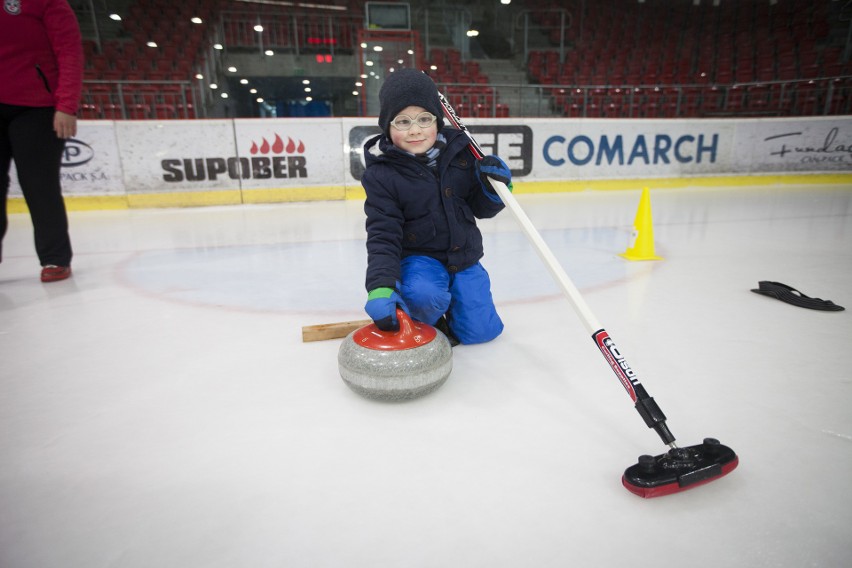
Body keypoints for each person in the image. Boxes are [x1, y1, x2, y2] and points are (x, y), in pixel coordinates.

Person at [361, 69, 513, 345]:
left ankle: (458, 313)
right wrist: (380, 286)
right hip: (419, 259)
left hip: (465, 256)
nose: (415, 129)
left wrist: (494, 191)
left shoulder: (461, 154)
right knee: (424, 295)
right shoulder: (381, 175)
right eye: (403, 121)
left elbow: (481, 209)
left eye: (424, 119)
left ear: (437, 120)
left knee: (482, 334)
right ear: (387, 126)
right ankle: (429, 318)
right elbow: (383, 234)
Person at [0, 0, 83, 282]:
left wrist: (66, 105)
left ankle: (54, 258)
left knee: (39, 185)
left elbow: (70, 51)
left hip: (36, 106)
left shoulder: (47, 3)